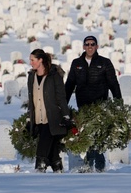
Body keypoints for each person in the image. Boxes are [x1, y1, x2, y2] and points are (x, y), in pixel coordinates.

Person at [64, 34, 121, 172]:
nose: (90, 47)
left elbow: (113, 83)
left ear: (96, 46)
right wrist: (63, 103)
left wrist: (118, 101)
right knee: (87, 134)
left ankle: (100, 164)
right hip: (83, 104)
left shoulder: (105, 62)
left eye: (92, 44)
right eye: (87, 44)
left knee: (98, 134)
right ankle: (89, 162)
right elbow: (70, 84)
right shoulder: (76, 63)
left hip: (100, 104)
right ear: (84, 47)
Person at [26, 48, 71, 172]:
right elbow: (31, 99)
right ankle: (57, 167)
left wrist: (66, 115)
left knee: (44, 143)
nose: (30, 62)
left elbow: (61, 97)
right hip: (38, 117)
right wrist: (29, 118)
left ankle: (40, 166)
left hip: (52, 117)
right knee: (51, 147)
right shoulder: (31, 76)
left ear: (40, 60)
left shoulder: (54, 75)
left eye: (32, 60)